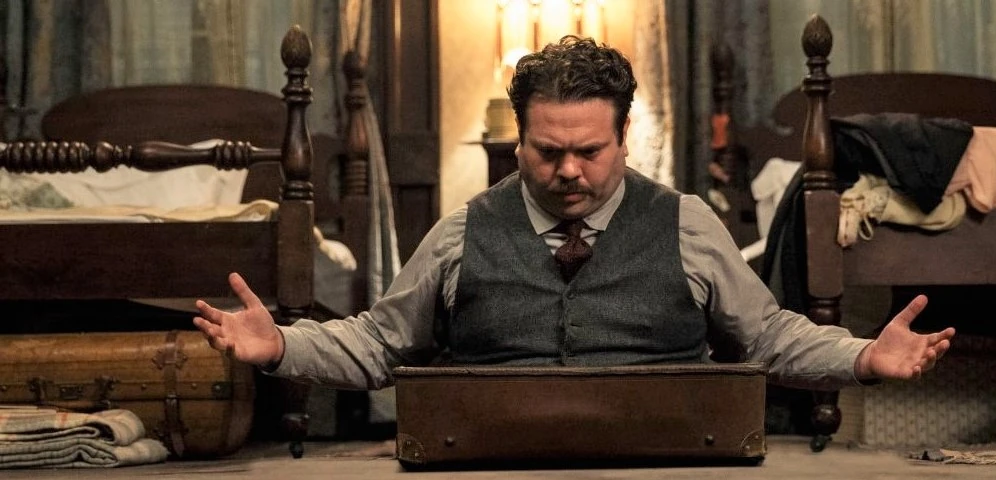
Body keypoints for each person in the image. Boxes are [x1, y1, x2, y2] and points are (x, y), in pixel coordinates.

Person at [194, 35, 954, 392]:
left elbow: (770, 336)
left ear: (624, 139)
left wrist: (862, 356)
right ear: (519, 141)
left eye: (588, 151)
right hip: (493, 462)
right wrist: (284, 344)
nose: (567, 170)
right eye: (547, 150)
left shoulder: (686, 222)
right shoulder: (463, 230)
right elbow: (377, 343)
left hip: (666, 460)